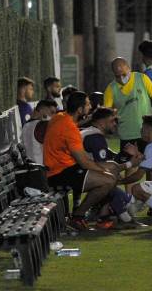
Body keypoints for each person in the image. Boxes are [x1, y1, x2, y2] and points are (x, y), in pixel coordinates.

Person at [43, 91, 118, 230]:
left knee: (114, 166)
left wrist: (85, 120)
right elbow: (84, 162)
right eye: (88, 104)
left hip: (59, 168)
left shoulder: (59, 117)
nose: (90, 106)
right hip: (60, 173)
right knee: (109, 179)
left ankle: (102, 214)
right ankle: (79, 216)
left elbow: (69, 127)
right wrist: (104, 170)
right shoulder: (70, 129)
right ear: (80, 109)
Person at [81, 108, 137, 229]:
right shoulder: (95, 137)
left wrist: (125, 155)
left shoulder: (90, 133)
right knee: (123, 196)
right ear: (101, 122)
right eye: (112, 121)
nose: (115, 124)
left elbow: (109, 160)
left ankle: (104, 216)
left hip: (79, 173)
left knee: (110, 180)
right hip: (79, 176)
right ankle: (121, 218)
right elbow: (105, 166)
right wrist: (130, 163)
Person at [103, 57, 152, 155]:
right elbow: (107, 113)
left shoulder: (142, 78)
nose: (121, 79)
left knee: (151, 164)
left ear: (129, 68)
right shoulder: (111, 89)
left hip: (147, 131)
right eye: (117, 76)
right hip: (127, 134)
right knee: (130, 165)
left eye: (124, 74)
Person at [21, 99, 58, 164]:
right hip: (42, 169)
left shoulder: (26, 126)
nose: (54, 116)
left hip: (30, 167)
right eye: (52, 112)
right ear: (41, 110)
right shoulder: (43, 125)